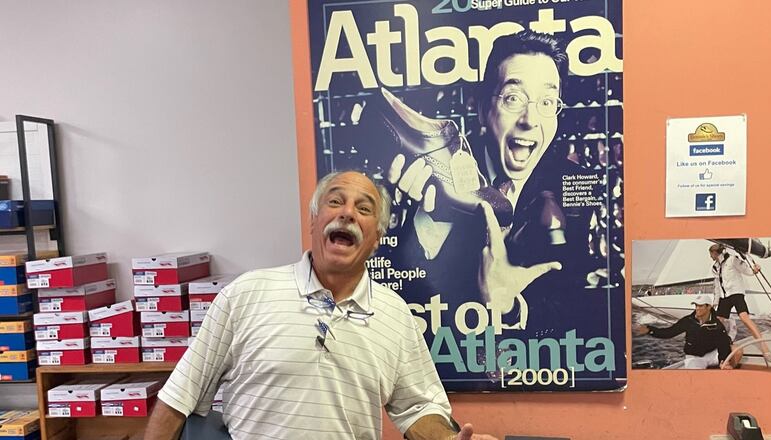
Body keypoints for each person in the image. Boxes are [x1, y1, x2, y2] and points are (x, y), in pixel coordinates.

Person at [143, 171, 497, 440]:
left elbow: (419, 407)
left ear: (377, 238)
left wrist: (446, 439)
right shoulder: (246, 294)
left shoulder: (395, 315)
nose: (348, 213)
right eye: (335, 201)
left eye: (364, 208)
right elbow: (179, 397)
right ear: (314, 220)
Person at [386, 30, 597, 323]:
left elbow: (573, 303)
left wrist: (509, 306)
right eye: (513, 98)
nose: (530, 120)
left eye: (547, 102)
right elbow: (399, 295)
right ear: (482, 108)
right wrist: (424, 226)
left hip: (532, 352)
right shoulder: (434, 170)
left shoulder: (572, 182)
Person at [636, 293, 741, 369]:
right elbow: (669, 332)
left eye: (700, 306)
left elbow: (723, 343)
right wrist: (650, 330)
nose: (697, 308)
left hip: (712, 354)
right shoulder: (688, 321)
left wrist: (723, 360)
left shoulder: (717, 324)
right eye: (696, 305)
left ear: (709, 307)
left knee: (737, 351)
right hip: (695, 358)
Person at [708, 243, 771, 362]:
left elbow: (747, 270)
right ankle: (717, 346)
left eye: (711, 254)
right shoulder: (715, 267)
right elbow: (717, 285)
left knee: (744, 318)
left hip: (736, 293)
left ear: (715, 252)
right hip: (724, 297)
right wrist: (715, 301)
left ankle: (765, 348)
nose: (710, 257)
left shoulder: (732, 260)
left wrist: (755, 270)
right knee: (718, 322)